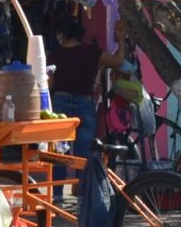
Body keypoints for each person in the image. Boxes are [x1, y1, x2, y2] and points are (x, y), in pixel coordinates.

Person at [49, 16, 126, 199]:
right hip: (85, 103)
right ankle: (84, 197)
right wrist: (121, 39)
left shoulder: (55, 54)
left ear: (62, 34)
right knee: (84, 153)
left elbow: (49, 83)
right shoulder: (92, 52)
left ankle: (57, 195)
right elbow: (118, 61)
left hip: (60, 103)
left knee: (60, 152)